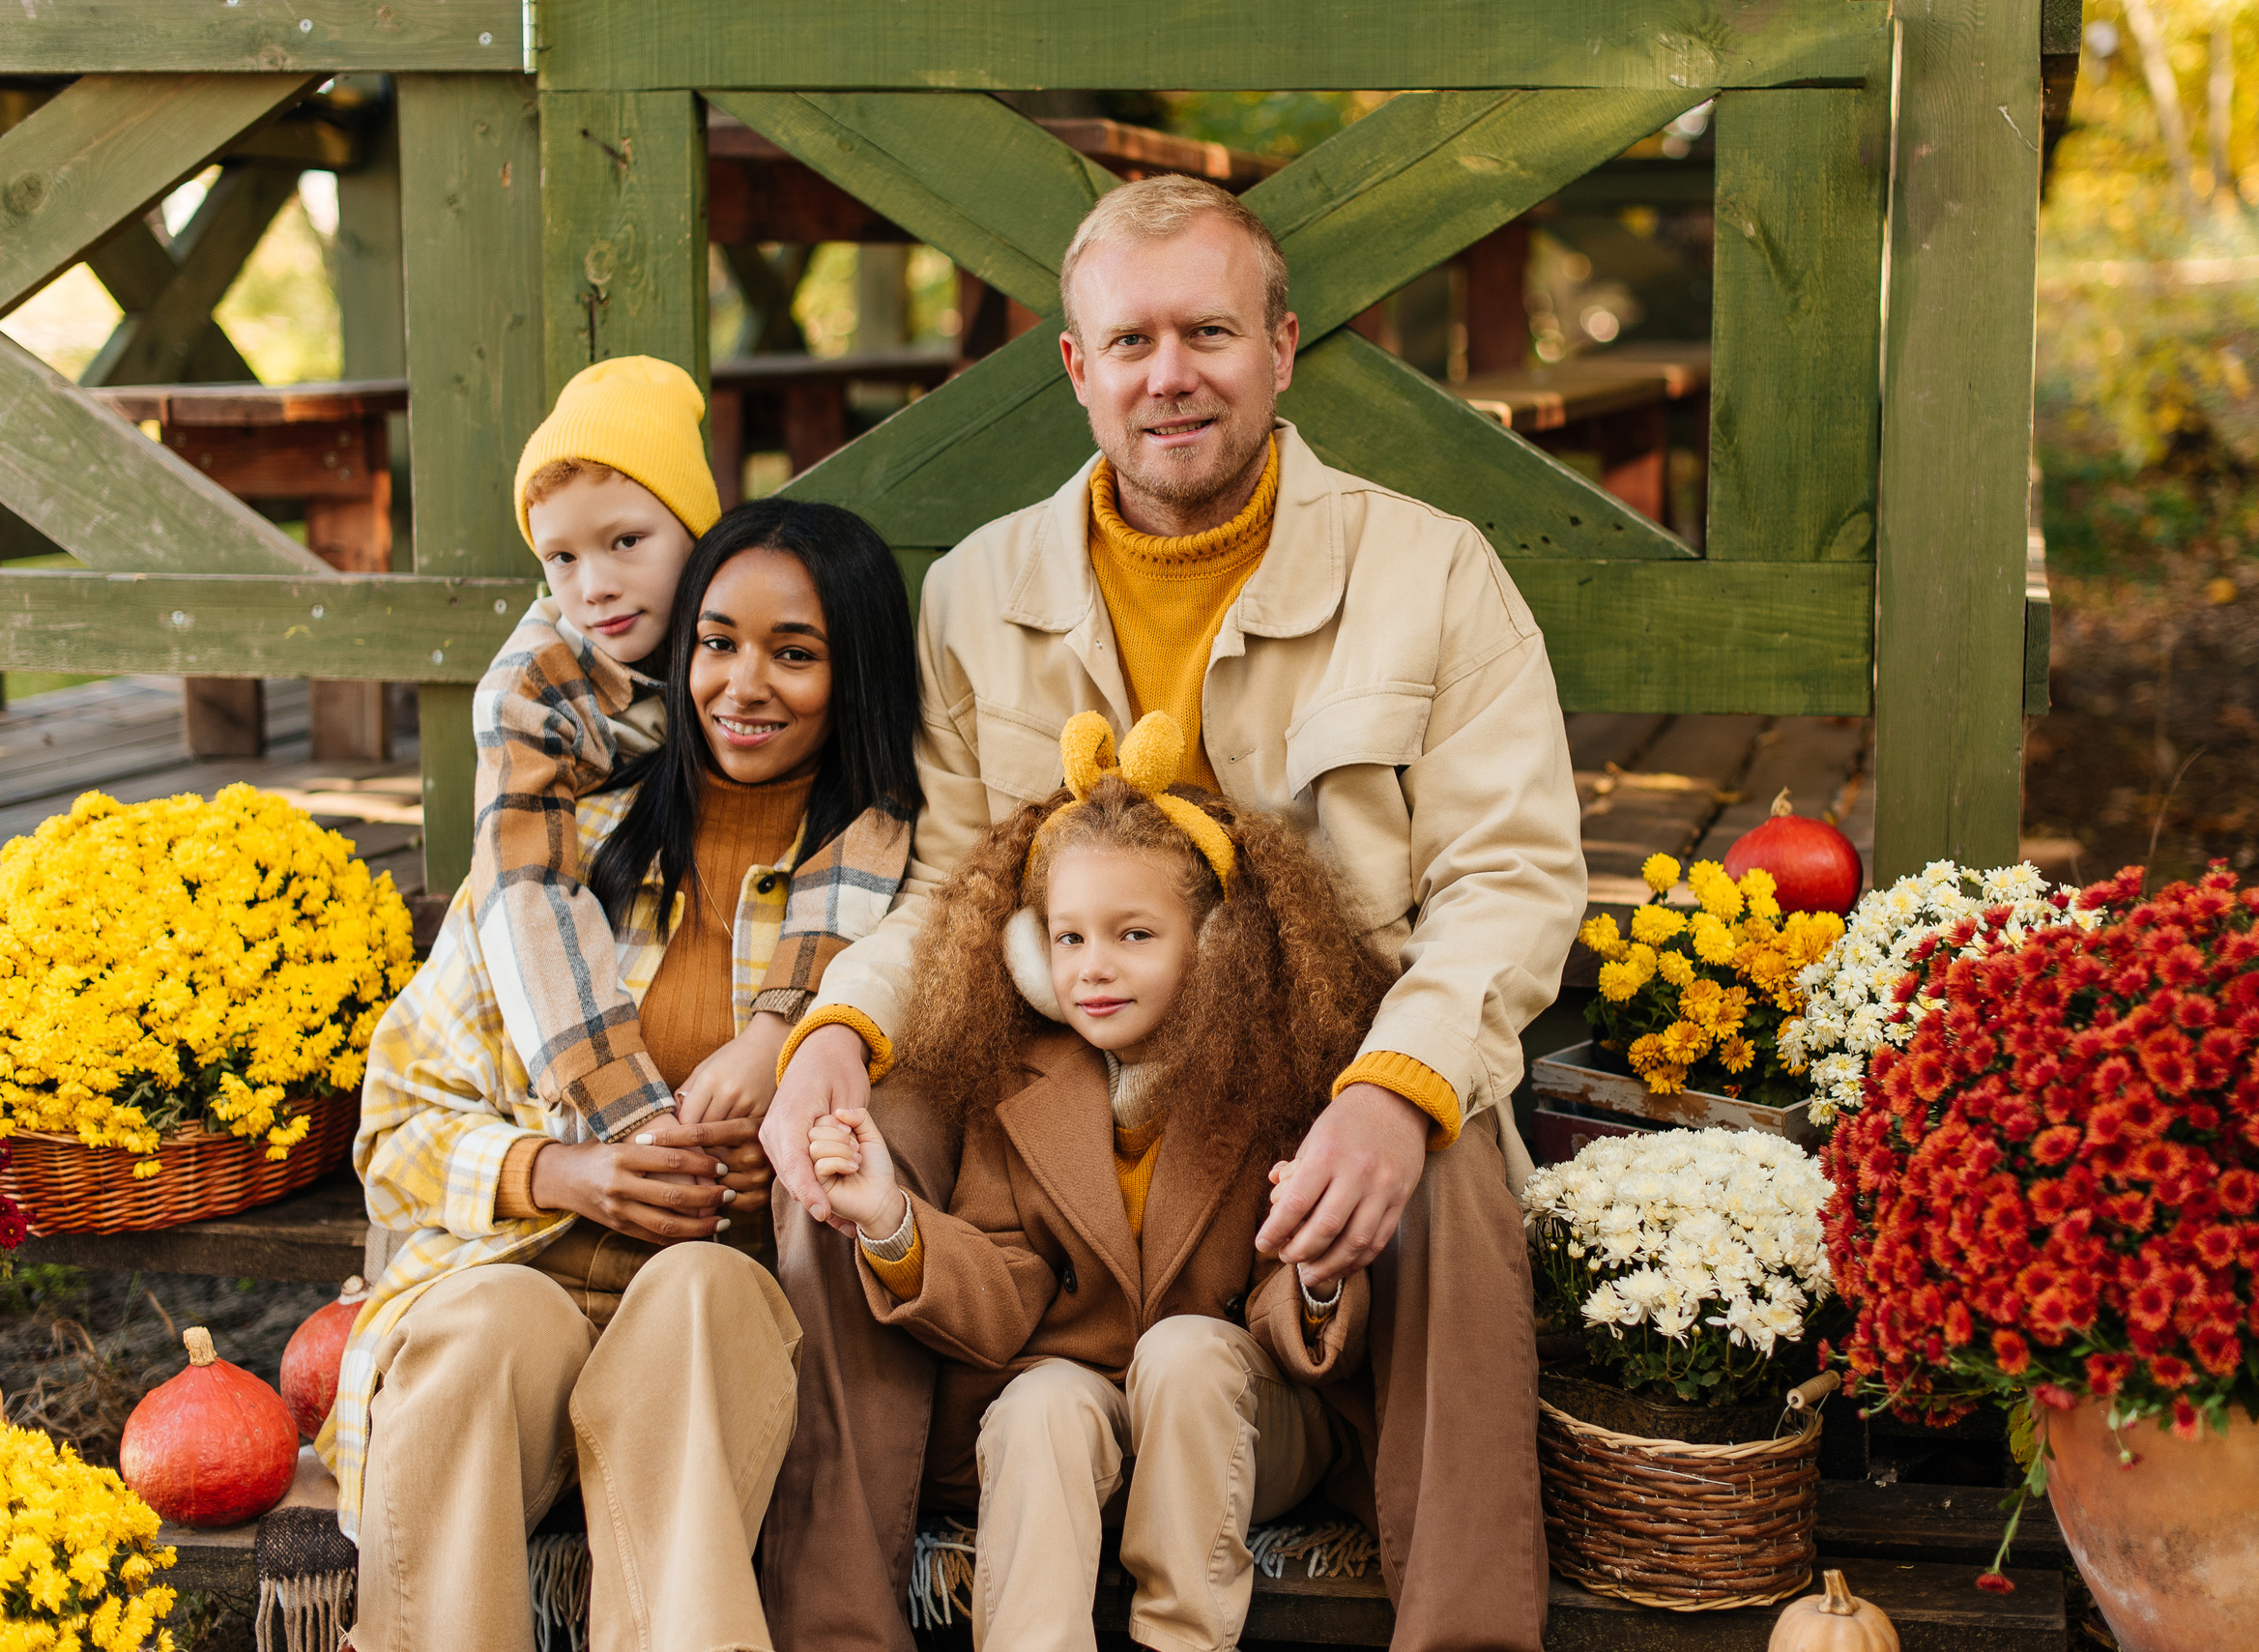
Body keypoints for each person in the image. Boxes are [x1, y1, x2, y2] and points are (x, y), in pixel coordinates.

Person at [759, 175, 1585, 1652]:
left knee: (1452, 1136)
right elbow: (950, 886)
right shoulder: (980, 592)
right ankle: (831, 1626)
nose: (1170, 374)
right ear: (1077, 369)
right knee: (839, 1141)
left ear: (1280, 346)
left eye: (1208, 330)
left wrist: (1397, 1088)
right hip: (1052, 1063)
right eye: (1129, 341)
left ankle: (1465, 1634)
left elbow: (1508, 879)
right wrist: (836, 1026)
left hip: (1329, 1054)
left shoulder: (1429, 572)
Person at [329, 499, 922, 1652]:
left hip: (729, 1297)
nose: (743, 683)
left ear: (854, 675)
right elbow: (393, 1126)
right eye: (715, 642)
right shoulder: (556, 866)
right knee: (478, 1327)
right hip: (531, 1267)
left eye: (793, 653)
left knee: (693, 1293)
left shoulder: (887, 894)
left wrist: (796, 1164)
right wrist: (562, 1170)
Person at [807, 710, 1390, 1652]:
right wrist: (889, 1216)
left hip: (1235, 1421)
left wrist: (1319, 1276)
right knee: (1041, 1402)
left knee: (1188, 1355)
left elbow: (1288, 1310)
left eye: (1132, 934)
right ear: (1033, 952)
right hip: (1073, 1408)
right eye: (1069, 938)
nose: (1094, 968)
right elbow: (996, 1299)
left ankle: (1179, 1637)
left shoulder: (1275, 1079)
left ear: (1215, 943)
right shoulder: (1011, 1086)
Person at [478, 355, 879, 1174]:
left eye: (626, 541)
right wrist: (622, 1106)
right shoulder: (529, 690)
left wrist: (779, 1026)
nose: (593, 586)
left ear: (698, 534)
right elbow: (528, 894)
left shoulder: (757, 630)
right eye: (560, 558)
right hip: (600, 980)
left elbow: (859, 828)